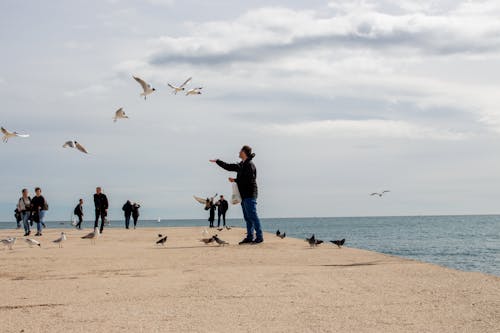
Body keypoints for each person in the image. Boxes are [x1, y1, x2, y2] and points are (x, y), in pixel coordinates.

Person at [210, 145, 263, 244]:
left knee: (253, 216)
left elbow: (249, 180)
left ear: (244, 152)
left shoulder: (249, 165)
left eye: (240, 151)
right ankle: (250, 237)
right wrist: (218, 161)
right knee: (247, 217)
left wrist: (235, 180)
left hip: (250, 194)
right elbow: (229, 166)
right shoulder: (241, 165)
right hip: (243, 196)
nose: (238, 152)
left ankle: (259, 237)